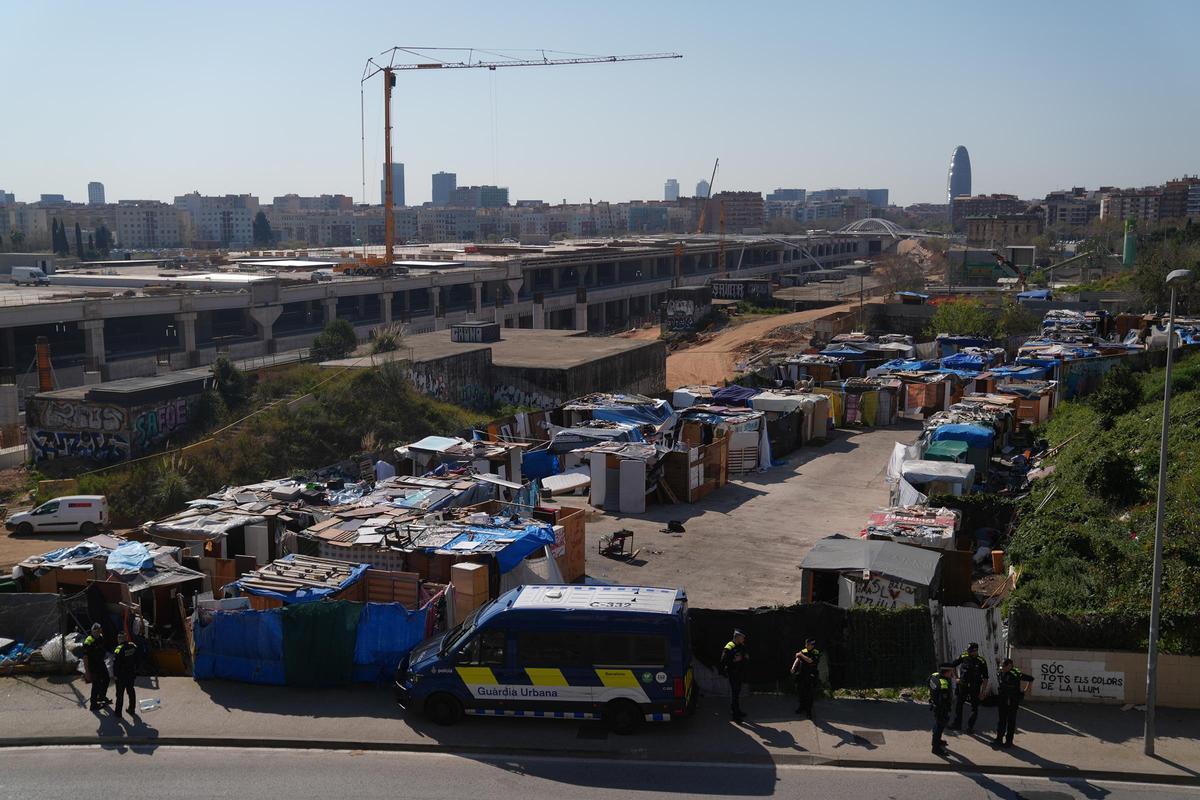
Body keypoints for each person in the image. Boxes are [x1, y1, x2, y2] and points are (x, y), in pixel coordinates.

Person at [951, 642, 989, 733]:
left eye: (970, 651)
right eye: (968, 650)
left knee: (974, 707)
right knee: (959, 705)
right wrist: (956, 678)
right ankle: (957, 724)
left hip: (975, 687)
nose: (968, 652)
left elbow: (985, 678)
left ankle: (969, 727)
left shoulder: (981, 661)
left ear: (975, 651)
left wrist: (983, 692)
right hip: (963, 685)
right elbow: (953, 665)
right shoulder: (964, 656)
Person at [994, 658, 1030, 748]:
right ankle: (999, 739)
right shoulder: (1001, 672)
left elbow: (1030, 679)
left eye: (1004, 666)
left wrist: (1024, 692)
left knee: (1011, 722)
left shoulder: (1016, 673)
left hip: (1012, 701)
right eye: (1002, 666)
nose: (1002, 668)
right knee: (1001, 721)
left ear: (1010, 666)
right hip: (1002, 700)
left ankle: (1009, 741)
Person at [719, 629, 749, 721]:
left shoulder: (741, 645)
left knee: (737, 692)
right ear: (737, 637)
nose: (744, 639)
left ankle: (736, 710)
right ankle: (735, 715)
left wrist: (743, 658)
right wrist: (733, 660)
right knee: (735, 693)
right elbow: (723, 661)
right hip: (733, 673)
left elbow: (745, 656)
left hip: (740, 673)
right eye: (742, 637)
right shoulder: (729, 646)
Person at [928, 663, 955, 756]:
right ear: (946, 672)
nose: (952, 673)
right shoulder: (943, 685)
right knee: (939, 726)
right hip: (941, 708)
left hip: (935, 704)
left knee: (938, 724)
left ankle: (937, 741)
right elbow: (944, 700)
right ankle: (935, 748)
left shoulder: (934, 675)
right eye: (951, 671)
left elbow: (928, 682)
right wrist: (947, 709)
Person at [82, 623, 110, 712]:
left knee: (107, 679)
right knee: (96, 684)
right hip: (93, 666)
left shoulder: (101, 637)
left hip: (101, 663)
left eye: (99, 630)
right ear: (92, 631)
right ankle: (93, 704)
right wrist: (87, 672)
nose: (98, 632)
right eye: (96, 631)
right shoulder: (88, 641)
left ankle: (101, 696)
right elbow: (85, 657)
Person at [791, 637, 821, 719]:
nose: (806, 645)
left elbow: (810, 661)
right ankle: (801, 707)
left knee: (809, 695)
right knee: (801, 692)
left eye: (808, 644)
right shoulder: (803, 651)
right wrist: (793, 668)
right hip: (802, 675)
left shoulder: (816, 652)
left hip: (811, 676)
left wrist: (800, 654)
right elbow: (797, 659)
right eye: (806, 644)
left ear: (812, 645)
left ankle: (808, 711)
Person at [112, 632, 139, 719]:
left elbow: (116, 664)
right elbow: (137, 657)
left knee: (120, 694)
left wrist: (115, 675)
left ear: (121, 639)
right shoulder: (133, 646)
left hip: (121, 676)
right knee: (131, 691)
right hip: (131, 673)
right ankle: (132, 708)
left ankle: (118, 712)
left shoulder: (118, 649)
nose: (118, 639)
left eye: (119, 638)